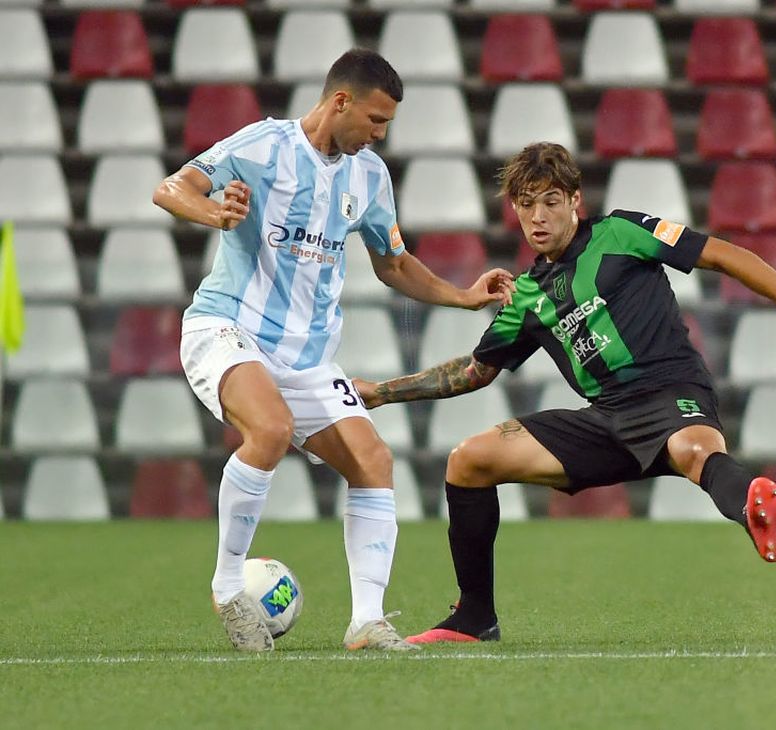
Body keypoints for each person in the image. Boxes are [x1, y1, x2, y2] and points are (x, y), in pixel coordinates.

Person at [353, 142, 776, 645]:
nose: (537, 216)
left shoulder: (620, 232)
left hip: (671, 394)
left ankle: (752, 508)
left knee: (693, 450)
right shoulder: (527, 295)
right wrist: (381, 392)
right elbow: (475, 371)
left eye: (549, 200)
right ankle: (474, 617)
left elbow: (724, 255)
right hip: (606, 420)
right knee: (469, 461)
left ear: (575, 200)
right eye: (525, 204)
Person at [152, 48, 514, 653]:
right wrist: (215, 213)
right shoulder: (263, 145)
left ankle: (366, 622)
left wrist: (462, 296)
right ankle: (226, 589)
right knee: (269, 430)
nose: (380, 135)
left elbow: (393, 262)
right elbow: (171, 189)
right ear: (339, 101)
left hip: (309, 356)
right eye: (375, 121)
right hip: (228, 327)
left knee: (373, 460)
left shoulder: (368, 175)